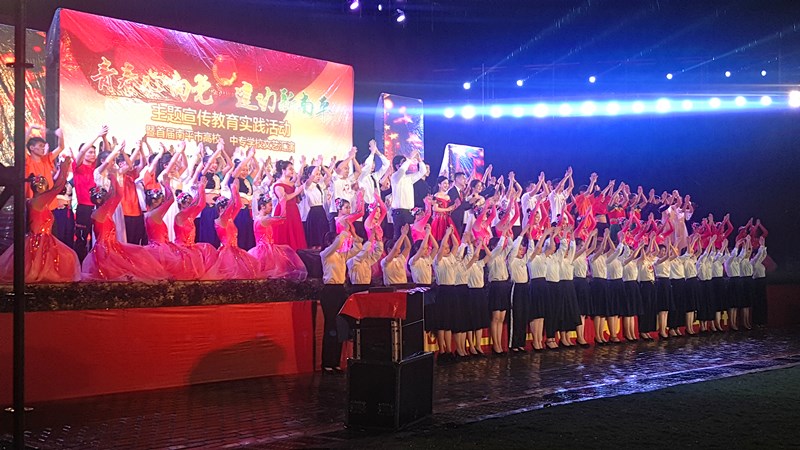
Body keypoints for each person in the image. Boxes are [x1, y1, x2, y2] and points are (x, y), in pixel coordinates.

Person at [0, 157, 81, 283]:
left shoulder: (39, 202)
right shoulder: (39, 201)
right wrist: (63, 170)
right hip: (39, 240)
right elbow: (57, 188)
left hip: (44, 239)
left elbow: (56, 188)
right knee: (67, 257)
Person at [81, 165, 166, 282]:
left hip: (112, 247)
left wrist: (113, 179)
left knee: (136, 256)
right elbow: (115, 196)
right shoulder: (100, 213)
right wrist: (113, 177)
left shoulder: (105, 212)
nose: (107, 197)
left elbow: (118, 195)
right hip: (105, 251)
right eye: (105, 196)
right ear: (100, 200)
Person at [144, 179, 205, 280]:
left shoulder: (150, 214)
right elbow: (171, 200)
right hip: (163, 249)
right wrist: (166, 184)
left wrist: (201, 189)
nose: (162, 203)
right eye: (161, 201)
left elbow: (200, 205)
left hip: (165, 247)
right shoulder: (177, 216)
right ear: (153, 201)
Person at [320, 230, 360, 372]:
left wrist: (353, 234)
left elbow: (358, 248)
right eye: (337, 240)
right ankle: (327, 362)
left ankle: (335, 362)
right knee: (330, 324)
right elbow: (336, 245)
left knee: (339, 325)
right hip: (329, 290)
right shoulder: (325, 254)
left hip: (340, 290)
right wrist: (343, 233)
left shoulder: (342, 256)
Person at [248, 195, 308, 281]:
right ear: (262, 206)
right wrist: (283, 203)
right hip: (266, 251)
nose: (271, 208)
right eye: (270, 205)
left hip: (263, 249)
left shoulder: (257, 218)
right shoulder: (263, 220)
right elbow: (282, 219)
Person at [272, 159, 308, 250]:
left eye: (293, 169)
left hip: (293, 210)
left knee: (295, 232)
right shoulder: (278, 184)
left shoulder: (292, 183)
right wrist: (297, 192)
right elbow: (284, 198)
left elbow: (298, 176)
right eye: (290, 169)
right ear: (283, 170)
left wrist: (302, 165)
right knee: (285, 233)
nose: (293, 171)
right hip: (284, 210)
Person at [390, 150, 425, 240]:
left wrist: (419, 160)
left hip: (408, 213)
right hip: (399, 213)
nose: (406, 164)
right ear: (397, 165)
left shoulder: (409, 178)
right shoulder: (395, 177)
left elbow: (422, 172)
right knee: (399, 238)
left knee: (409, 239)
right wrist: (410, 158)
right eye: (403, 162)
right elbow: (402, 170)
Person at [430, 176, 461, 242]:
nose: (447, 185)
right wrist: (448, 209)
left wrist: (454, 206)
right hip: (439, 219)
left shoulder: (448, 196)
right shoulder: (437, 195)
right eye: (444, 183)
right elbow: (435, 208)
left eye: (447, 183)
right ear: (439, 184)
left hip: (446, 218)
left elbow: (450, 209)